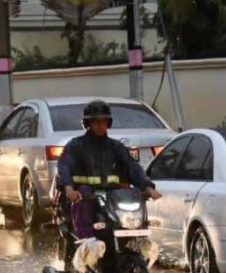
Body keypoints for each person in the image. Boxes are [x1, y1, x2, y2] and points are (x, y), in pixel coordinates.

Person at [56, 99, 162, 239]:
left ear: (108, 123)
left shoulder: (116, 147)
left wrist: (148, 187)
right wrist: (69, 189)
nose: (100, 125)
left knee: (133, 195)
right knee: (84, 197)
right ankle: (87, 243)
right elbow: (65, 166)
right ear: (88, 124)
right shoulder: (75, 146)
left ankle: (140, 241)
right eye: (96, 122)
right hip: (86, 195)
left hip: (112, 195)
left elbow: (132, 167)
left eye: (104, 121)